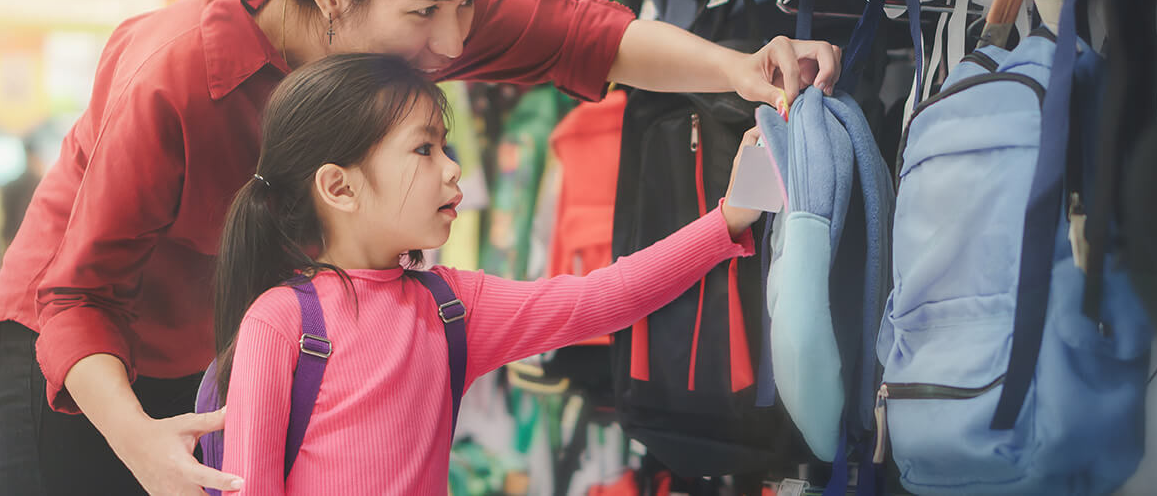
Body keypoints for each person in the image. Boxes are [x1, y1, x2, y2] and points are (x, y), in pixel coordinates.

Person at [0, 0, 840, 496]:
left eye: (468, 4)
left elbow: (586, 35)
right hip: (75, 361)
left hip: (209, 351)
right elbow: (75, 295)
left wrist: (738, 72)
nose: (452, 43)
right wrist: (141, 443)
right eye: (429, 12)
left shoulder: (415, 24)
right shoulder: (179, 74)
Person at [214, 53, 763, 494]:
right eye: (424, 149)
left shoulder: (451, 307)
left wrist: (728, 220)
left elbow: (604, 296)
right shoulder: (281, 323)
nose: (453, 168)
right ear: (340, 187)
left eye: (445, 147)